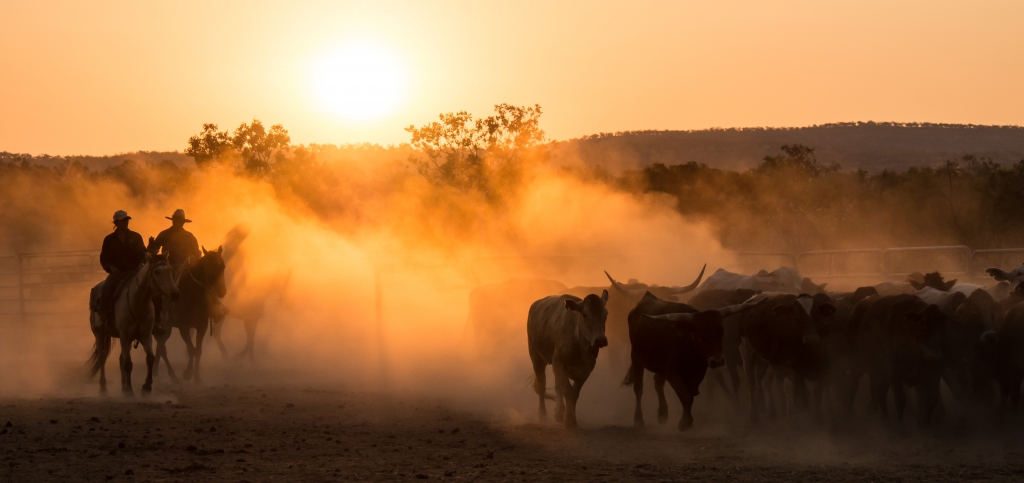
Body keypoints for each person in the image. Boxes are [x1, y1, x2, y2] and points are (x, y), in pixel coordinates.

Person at [99, 210, 147, 325]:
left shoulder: (136, 237)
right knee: (106, 289)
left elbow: (144, 254)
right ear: (116, 223)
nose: (125, 223)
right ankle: (103, 317)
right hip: (117, 274)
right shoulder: (109, 240)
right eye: (123, 221)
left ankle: (157, 318)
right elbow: (104, 258)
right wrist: (111, 267)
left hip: (134, 272)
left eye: (126, 220)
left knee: (149, 289)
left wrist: (141, 264)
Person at [152, 209, 201, 273]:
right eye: (176, 221)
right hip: (167, 267)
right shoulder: (165, 234)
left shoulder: (189, 236)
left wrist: (193, 261)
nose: (177, 223)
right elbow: (154, 249)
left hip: (185, 268)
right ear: (173, 221)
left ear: (183, 222)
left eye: (179, 221)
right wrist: (152, 247)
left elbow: (197, 253)